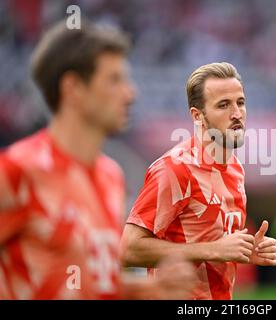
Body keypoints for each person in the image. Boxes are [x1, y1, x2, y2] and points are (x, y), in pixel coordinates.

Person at [0, 20, 195, 300]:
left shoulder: (110, 175)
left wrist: (149, 289)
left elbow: (92, 283)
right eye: (114, 80)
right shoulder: (19, 171)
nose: (131, 94)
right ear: (73, 88)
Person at [120, 62, 276, 300]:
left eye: (241, 102)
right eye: (223, 105)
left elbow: (216, 244)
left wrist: (247, 250)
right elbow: (128, 250)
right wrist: (214, 250)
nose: (236, 114)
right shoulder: (174, 169)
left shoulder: (235, 168)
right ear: (198, 116)